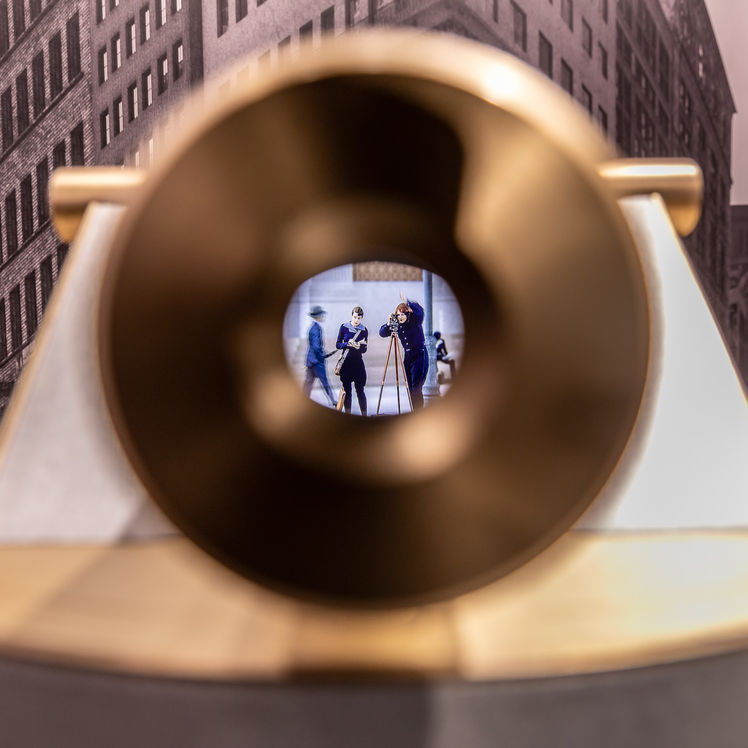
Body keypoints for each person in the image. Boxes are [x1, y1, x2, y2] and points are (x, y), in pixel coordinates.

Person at [379, 292, 428, 409]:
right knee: (410, 388)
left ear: (408, 314)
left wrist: (407, 301)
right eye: (398, 314)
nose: (400, 317)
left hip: (420, 355)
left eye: (403, 314)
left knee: (416, 387)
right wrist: (388, 323)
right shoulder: (398, 326)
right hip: (408, 356)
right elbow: (382, 333)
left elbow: (420, 312)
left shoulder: (415, 321)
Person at [335, 306, 368, 415]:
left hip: (358, 364)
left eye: (359, 318)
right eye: (354, 317)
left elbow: (365, 349)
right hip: (346, 363)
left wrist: (360, 347)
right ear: (351, 316)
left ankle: (364, 415)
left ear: (361, 318)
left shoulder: (364, 330)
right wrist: (347, 343)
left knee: (360, 391)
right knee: (347, 392)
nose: (356, 320)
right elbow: (338, 344)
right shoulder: (344, 327)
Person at [302, 305, 336, 407]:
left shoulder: (313, 328)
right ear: (318, 316)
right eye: (321, 315)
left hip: (311, 360)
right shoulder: (316, 329)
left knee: (308, 383)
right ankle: (333, 400)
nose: (322, 317)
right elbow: (316, 346)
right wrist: (322, 355)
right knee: (325, 382)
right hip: (317, 361)